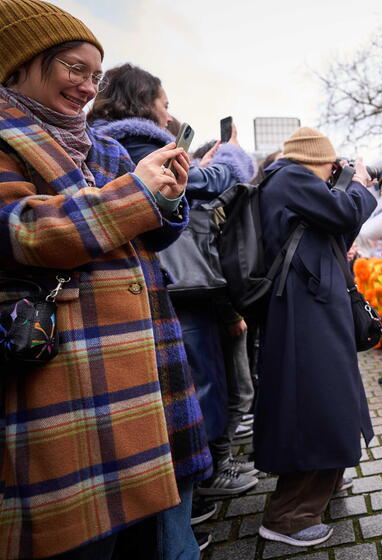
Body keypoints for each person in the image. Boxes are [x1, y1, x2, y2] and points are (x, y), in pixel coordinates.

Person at [0, 1, 211, 558]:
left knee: (145, 535)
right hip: (63, 373)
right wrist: (137, 194)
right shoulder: (6, 138)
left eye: (96, 75)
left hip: (141, 361)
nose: (88, 87)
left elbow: (148, 238)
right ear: (20, 62)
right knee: (81, 539)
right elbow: (25, 231)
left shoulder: (106, 146)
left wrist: (168, 197)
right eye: (74, 68)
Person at [88, 64, 259, 500]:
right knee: (200, 385)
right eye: (164, 104)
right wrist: (230, 159)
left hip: (150, 285)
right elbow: (202, 185)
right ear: (143, 102)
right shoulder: (138, 143)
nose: (169, 114)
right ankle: (201, 481)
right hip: (181, 286)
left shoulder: (102, 141)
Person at [254, 127, 377, 547]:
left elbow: (335, 230)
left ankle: (313, 494)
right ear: (316, 161)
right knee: (317, 404)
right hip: (305, 313)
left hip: (311, 310)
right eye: (331, 166)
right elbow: (344, 214)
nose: (333, 173)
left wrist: (345, 188)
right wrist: (358, 185)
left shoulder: (289, 182)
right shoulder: (290, 177)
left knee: (325, 402)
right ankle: (288, 516)